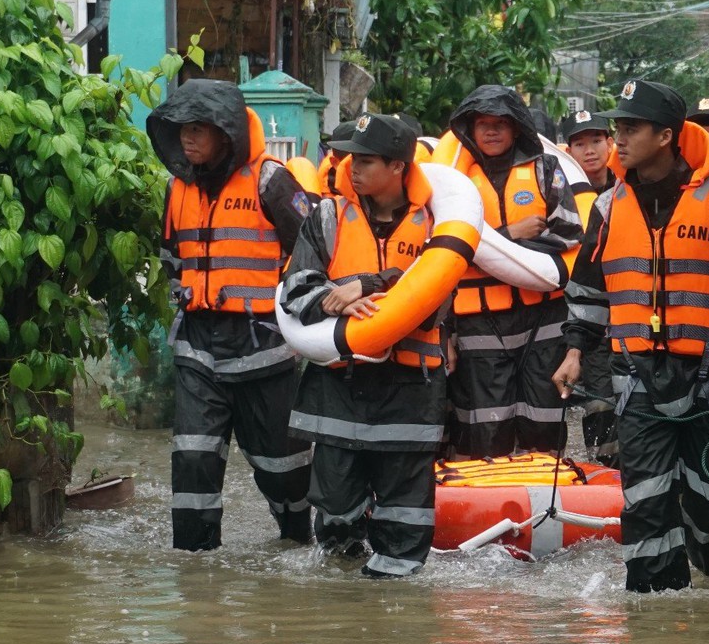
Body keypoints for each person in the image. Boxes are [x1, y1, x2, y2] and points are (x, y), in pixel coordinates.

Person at [552, 80, 709, 593]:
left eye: (630, 129)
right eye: (616, 127)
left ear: (665, 136)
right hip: (637, 381)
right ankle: (653, 624)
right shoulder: (606, 208)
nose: (617, 139)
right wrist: (575, 349)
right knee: (644, 506)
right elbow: (586, 294)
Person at [281, 114, 477, 578]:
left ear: (397, 166)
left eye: (366, 161)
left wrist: (370, 284)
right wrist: (343, 303)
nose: (352, 168)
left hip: (410, 388)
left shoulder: (440, 221)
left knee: (405, 520)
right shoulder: (328, 217)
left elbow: (431, 302)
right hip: (340, 386)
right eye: (351, 158)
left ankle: (396, 630)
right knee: (335, 519)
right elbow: (296, 291)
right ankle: (346, 628)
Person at [146, 79, 315, 551]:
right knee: (193, 463)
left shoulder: (270, 180)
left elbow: (315, 248)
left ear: (226, 132)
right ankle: (196, 578)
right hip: (198, 347)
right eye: (181, 128)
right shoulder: (177, 188)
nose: (187, 138)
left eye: (198, 128)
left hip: (263, 348)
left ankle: (301, 544)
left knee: (282, 470)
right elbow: (171, 261)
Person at [432, 86, 582, 457]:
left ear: (516, 128)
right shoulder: (454, 186)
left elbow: (569, 235)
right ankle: (495, 511)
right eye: (483, 124)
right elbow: (442, 257)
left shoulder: (546, 170)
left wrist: (497, 255)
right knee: (487, 429)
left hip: (543, 319)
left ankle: (545, 510)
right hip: (480, 324)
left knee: (543, 425)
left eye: (501, 123)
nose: (492, 131)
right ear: (470, 130)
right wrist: (510, 236)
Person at [562, 109, 621, 464]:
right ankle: (603, 472)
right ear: (567, 152)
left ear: (611, 143)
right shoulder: (557, 196)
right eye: (579, 143)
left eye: (597, 141)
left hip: (629, 314)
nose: (590, 151)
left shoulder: (629, 189)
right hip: (582, 317)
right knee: (598, 402)